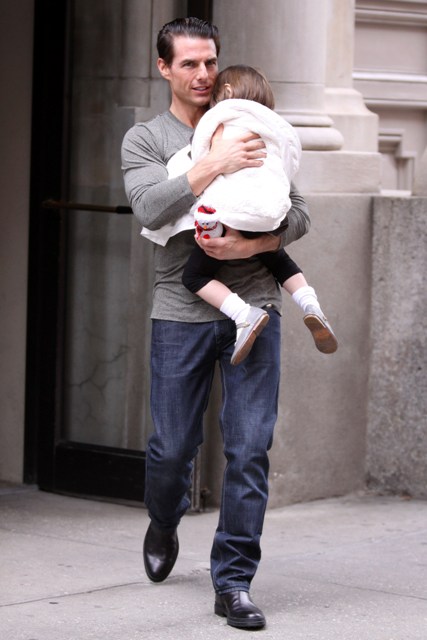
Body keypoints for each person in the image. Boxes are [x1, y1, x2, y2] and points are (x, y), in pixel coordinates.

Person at [121, 17, 311, 630]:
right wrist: (215, 161)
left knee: (250, 449)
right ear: (164, 68)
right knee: (172, 447)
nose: (203, 74)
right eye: (189, 64)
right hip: (181, 311)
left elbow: (298, 211)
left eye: (210, 62)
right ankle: (164, 516)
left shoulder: (252, 119)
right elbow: (149, 207)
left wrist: (256, 245)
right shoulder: (147, 138)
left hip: (256, 304)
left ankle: (233, 581)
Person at [141, 65, 337, 365]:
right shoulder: (275, 125)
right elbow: (291, 162)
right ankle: (311, 305)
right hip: (271, 213)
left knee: (194, 276)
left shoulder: (219, 118)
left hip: (231, 214)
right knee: (277, 258)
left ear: (227, 92)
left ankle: (243, 314)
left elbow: (202, 156)